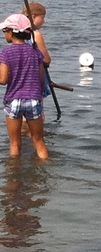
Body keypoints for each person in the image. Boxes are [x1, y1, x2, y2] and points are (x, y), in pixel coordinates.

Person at [0, 14, 49, 159]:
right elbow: (41, 79)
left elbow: (3, 80)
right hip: (33, 99)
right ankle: (44, 172)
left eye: (5, 31)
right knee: (39, 142)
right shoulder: (35, 52)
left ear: (11, 32)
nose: (4, 35)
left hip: (14, 99)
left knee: (15, 143)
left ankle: (14, 175)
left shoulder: (6, 53)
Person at [21, 2, 51, 98]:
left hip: (22, 77)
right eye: (42, 17)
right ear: (33, 17)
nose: (43, 21)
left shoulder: (18, 34)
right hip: (35, 77)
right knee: (38, 110)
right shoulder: (36, 35)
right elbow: (46, 59)